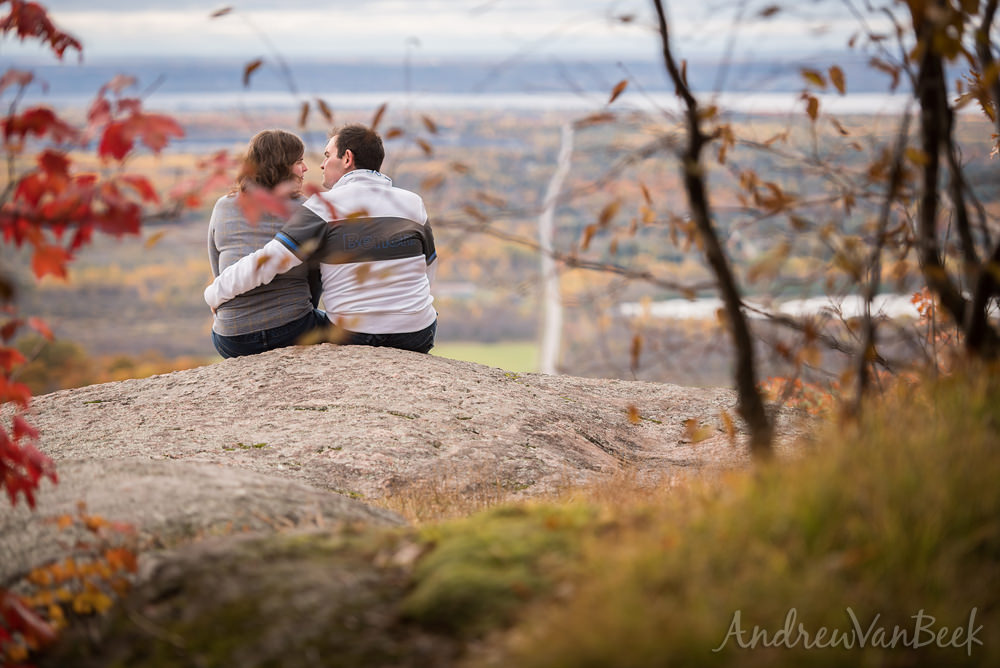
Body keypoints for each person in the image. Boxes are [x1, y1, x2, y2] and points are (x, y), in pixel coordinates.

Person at [204, 124, 438, 353]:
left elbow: (270, 260)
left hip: (352, 335)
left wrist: (215, 293)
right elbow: (429, 266)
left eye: (327, 155)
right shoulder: (413, 202)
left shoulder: (321, 208)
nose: (321, 164)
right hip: (416, 333)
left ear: (347, 158)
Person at [207, 129, 330, 358]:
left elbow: (219, 268)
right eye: (299, 161)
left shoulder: (223, 206)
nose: (305, 169)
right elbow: (316, 275)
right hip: (294, 330)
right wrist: (306, 310)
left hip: (232, 339)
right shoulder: (307, 210)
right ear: (281, 166)